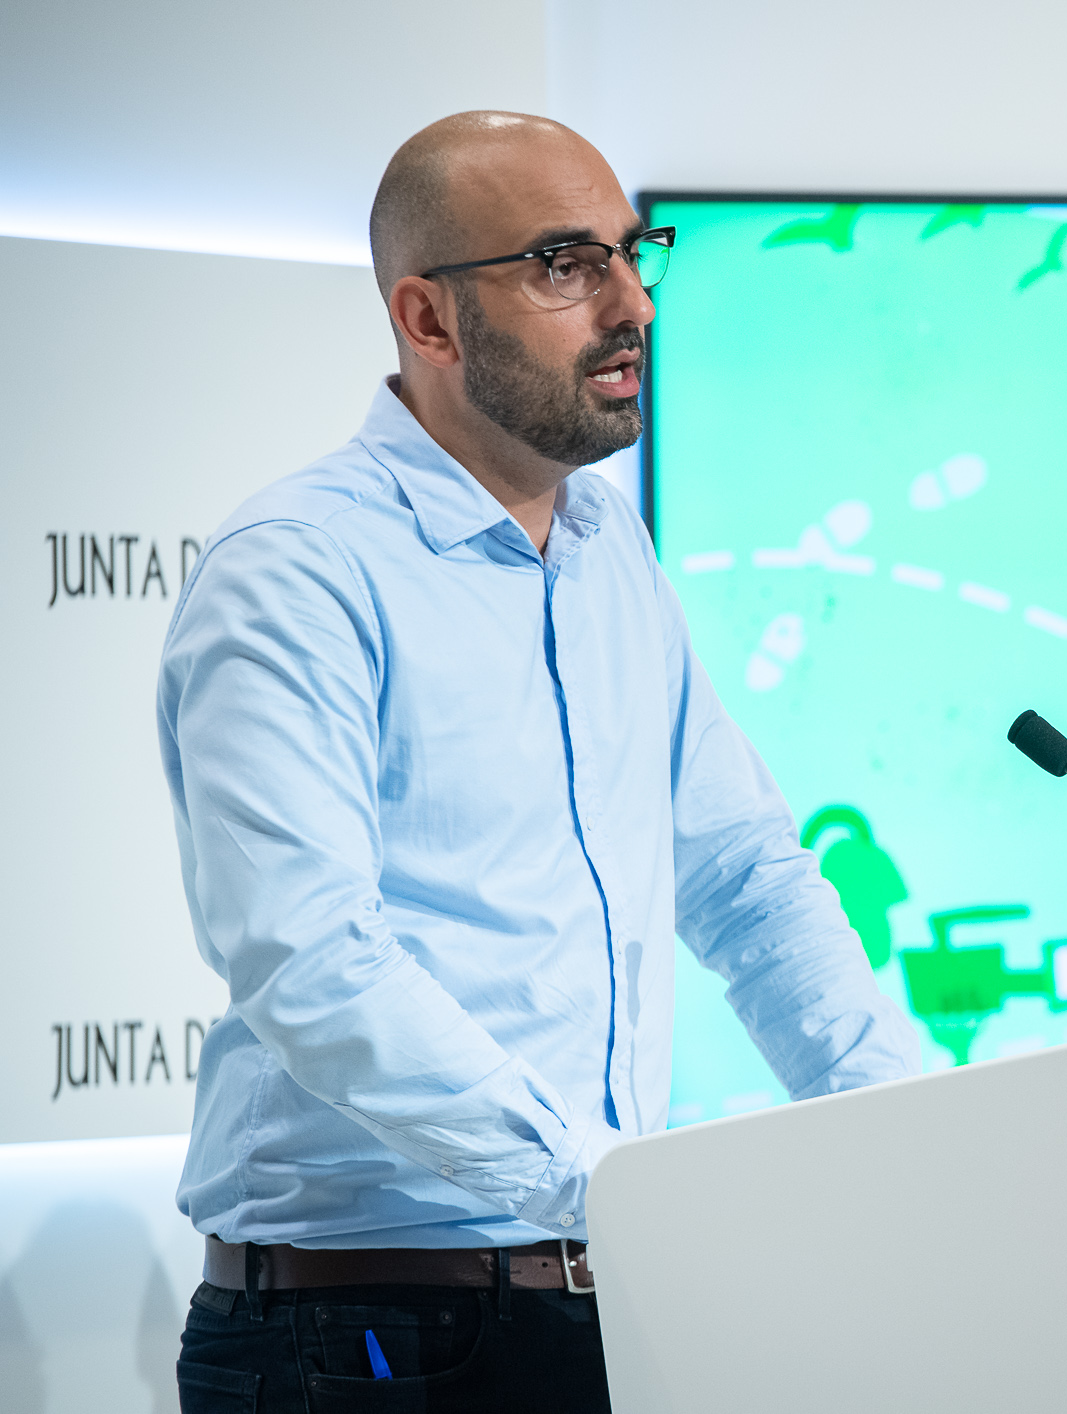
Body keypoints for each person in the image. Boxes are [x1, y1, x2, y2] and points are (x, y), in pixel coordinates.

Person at [159, 112, 920, 1412]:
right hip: (363, 1338)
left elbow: (741, 873)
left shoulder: (607, 543)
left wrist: (913, 1135)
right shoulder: (299, 570)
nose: (630, 304)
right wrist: (606, 1186)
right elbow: (308, 954)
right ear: (429, 317)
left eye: (635, 253)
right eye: (566, 263)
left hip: (599, 1304)